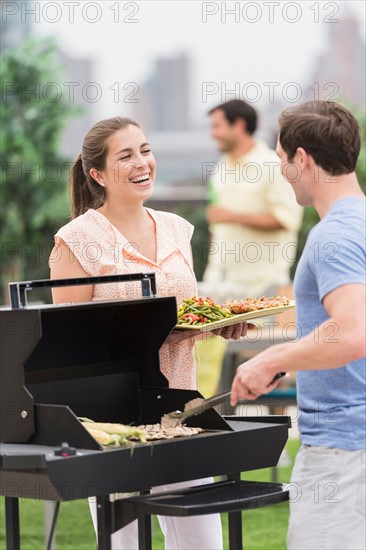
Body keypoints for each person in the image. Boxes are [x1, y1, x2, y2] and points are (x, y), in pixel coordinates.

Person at [48, 116, 247, 549]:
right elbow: (69, 350)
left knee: (203, 542)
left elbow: (183, 316)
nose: (142, 163)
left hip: (182, 410)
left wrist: (216, 326)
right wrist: (158, 336)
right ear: (97, 174)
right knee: (124, 544)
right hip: (114, 421)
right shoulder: (76, 241)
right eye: (126, 156)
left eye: (145, 150)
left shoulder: (177, 228)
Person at [231, 101, 366, 550]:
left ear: (302, 158)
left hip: (342, 452)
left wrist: (272, 357)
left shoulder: (333, 237)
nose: (282, 171)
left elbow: (352, 331)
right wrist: (292, 361)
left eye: (281, 159)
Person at [201, 99, 303, 302]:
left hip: (263, 287)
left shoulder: (272, 165)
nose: (213, 134)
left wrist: (233, 217)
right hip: (220, 285)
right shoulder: (221, 167)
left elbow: (287, 220)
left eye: (217, 126)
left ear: (238, 125)